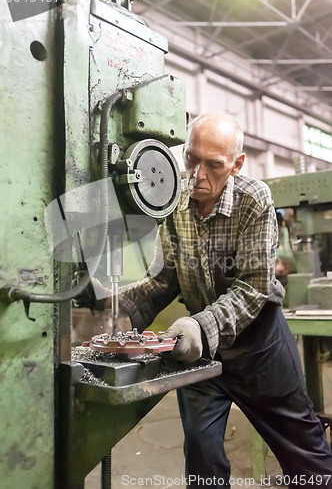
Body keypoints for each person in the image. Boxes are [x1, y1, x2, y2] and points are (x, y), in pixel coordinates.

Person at [80, 112, 332, 488]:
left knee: (304, 453)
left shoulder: (254, 200)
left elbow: (253, 287)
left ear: (236, 164)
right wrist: (123, 314)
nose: (198, 174)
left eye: (213, 165)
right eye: (191, 159)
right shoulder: (177, 201)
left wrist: (200, 324)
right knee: (202, 456)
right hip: (199, 351)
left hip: (258, 347)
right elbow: (165, 278)